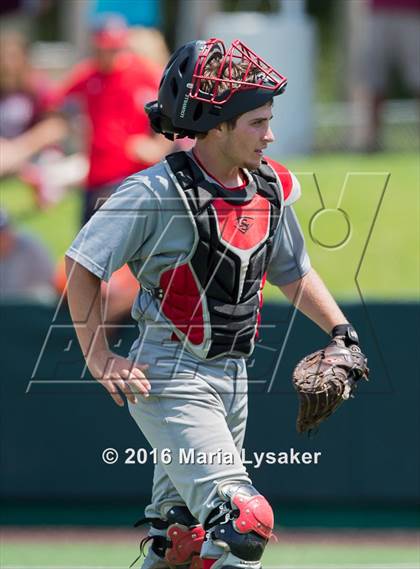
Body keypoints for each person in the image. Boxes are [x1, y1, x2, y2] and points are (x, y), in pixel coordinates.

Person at [65, 39, 366, 569]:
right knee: (243, 524)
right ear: (218, 125)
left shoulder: (268, 188)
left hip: (233, 376)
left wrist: (342, 330)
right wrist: (98, 356)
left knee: (180, 541)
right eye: (257, 122)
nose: (270, 134)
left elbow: (293, 272)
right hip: (170, 373)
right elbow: (82, 264)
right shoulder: (155, 192)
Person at [48, 14, 173, 226]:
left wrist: (159, 146)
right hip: (96, 175)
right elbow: (54, 102)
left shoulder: (143, 72)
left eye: (113, 49)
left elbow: (175, 107)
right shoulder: (89, 74)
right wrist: (73, 126)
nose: (108, 55)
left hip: (130, 176)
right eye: (102, 49)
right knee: (87, 247)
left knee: (121, 246)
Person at [0, 209, 55, 301]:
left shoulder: (31, 247)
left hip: (29, 305)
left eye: (4, 231)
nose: (2, 236)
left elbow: (49, 282)